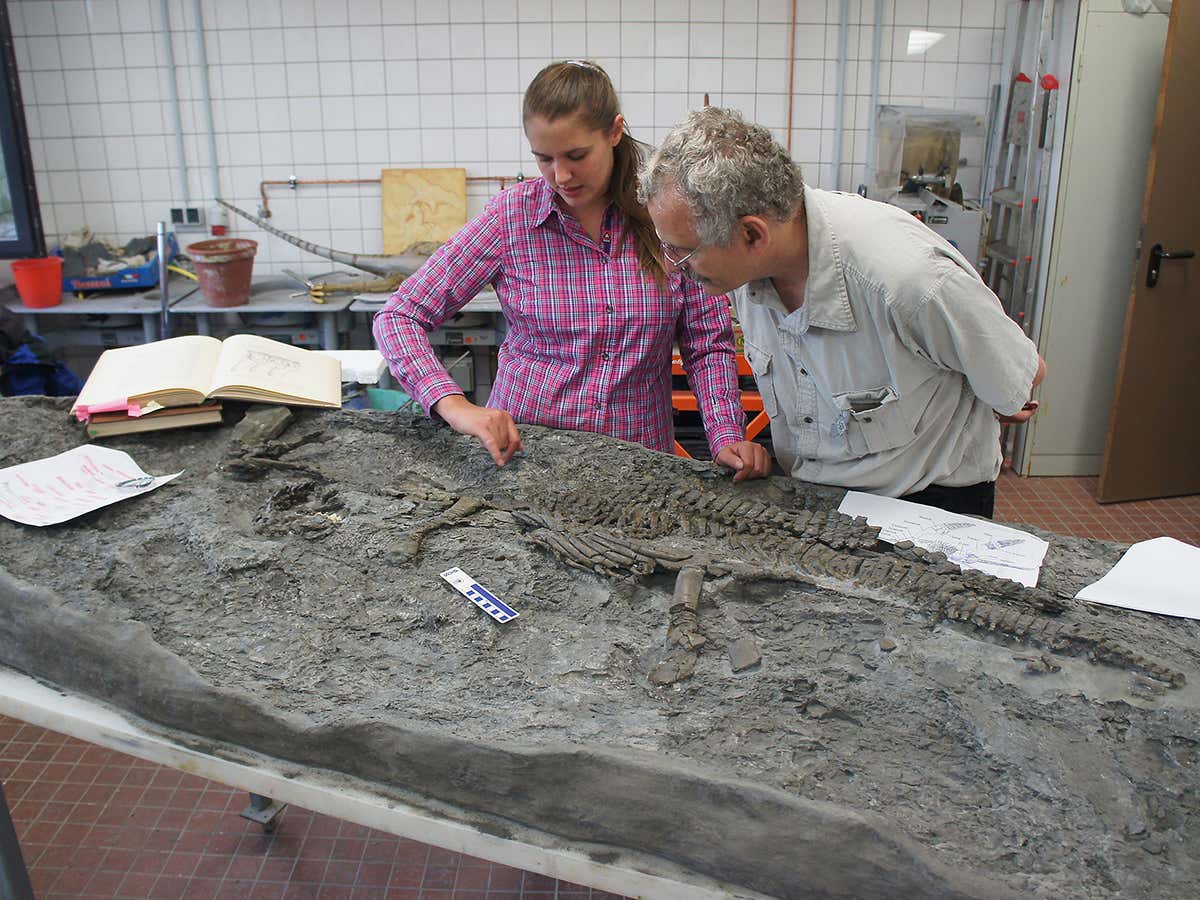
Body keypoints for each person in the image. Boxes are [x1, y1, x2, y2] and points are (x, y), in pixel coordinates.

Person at [638, 107, 1047, 518]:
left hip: (929, 506)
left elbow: (1020, 378)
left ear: (752, 234)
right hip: (816, 496)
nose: (671, 266)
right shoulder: (747, 273)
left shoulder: (908, 281)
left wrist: (994, 395)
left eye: (682, 251)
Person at [372, 61, 770, 482]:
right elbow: (399, 317)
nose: (561, 176)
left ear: (614, 132)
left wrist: (726, 436)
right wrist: (454, 406)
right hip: (525, 462)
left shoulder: (664, 215)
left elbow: (706, 343)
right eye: (544, 158)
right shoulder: (512, 218)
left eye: (577, 156)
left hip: (636, 470)